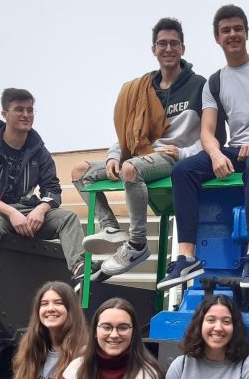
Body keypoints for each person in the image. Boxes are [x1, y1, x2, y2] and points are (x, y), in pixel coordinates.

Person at [159, 4, 249, 291]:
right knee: (184, 170)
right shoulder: (215, 82)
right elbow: (207, 132)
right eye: (226, 30)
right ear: (217, 38)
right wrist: (214, 154)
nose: (232, 34)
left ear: (247, 32)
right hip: (236, 149)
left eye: (238, 28)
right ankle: (187, 257)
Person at [73, 18, 206, 281]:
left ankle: (137, 244)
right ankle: (110, 227)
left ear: (183, 48)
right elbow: (130, 132)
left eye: (174, 43)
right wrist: (114, 155)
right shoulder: (142, 87)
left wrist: (184, 153)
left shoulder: (199, 85)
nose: (168, 49)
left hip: (171, 157)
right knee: (80, 172)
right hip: (139, 155)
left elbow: (210, 136)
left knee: (130, 170)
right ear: (153, 49)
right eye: (162, 44)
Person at [0, 88, 85, 329]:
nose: (26, 115)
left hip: (27, 210)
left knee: (68, 218)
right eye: (19, 110)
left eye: (30, 110)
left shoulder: (38, 150)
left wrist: (41, 209)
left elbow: (53, 189)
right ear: (4, 113)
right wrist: (10, 212)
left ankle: (81, 276)